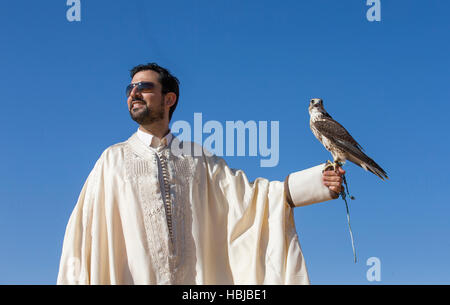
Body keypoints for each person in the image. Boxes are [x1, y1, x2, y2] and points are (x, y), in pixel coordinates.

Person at [57, 63, 345, 285]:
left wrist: (314, 183)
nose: (133, 93)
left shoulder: (198, 158)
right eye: (129, 88)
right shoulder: (112, 161)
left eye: (143, 86)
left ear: (169, 99)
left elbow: (248, 199)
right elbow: (82, 239)